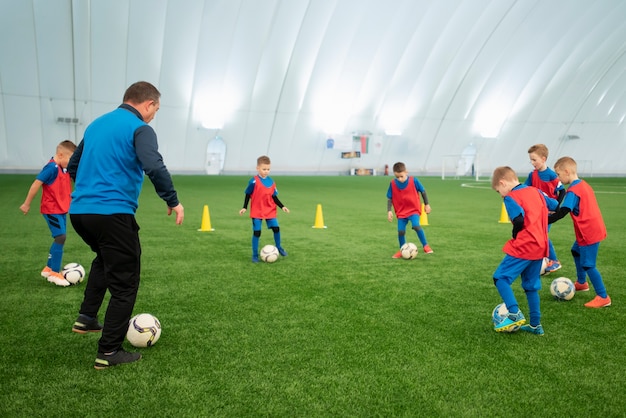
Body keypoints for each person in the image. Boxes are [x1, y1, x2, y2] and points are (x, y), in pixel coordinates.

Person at [67, 81, 184, 369]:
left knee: (104, 259)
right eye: (156, 109)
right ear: (148, 104)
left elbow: (72, 166)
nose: (154, 115)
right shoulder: (140, 128)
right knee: (125, 285)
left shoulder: (96, 125)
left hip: (80, 212)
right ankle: (108, 351)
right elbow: (153, 165)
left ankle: (86, 317)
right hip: (113, 214)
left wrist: (91, 189)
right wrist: (172, 200)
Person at [491, 166, 558, 335]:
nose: (501, 195)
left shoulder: (511, 197)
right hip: (540, 246)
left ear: (502, 182)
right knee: (531, 286)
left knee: (500, 278)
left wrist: (515, 234)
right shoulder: (536, 191)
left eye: (499, 191)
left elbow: (519, 220)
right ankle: (536, 325)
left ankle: (513, 313)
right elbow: (555, 204)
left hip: (525, 245)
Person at [548, 157, 611, 308]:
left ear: (567, 171)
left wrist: (545, 220)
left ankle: (603, 297)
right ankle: (582, 283)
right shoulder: (583, 184)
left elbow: (563, 211)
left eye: (558, 174)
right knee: (575, 251)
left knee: (588, 265)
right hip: (591, 228)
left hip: (589, 232)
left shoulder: (573, 191)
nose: (558, 178)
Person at [20, 140, 77, 287]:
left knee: (61, 237)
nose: (72, 163)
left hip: (62, 210)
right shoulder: (51, 168)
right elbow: (36, 184)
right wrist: (27, 203)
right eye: (71, 159)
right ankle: (55, 273)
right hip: (52, 209)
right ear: (60, 155)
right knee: (60, 237)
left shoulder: (64, 169)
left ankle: (48, 268)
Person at [239, 155, 289, 263]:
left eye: (268, 169)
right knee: (257, 232)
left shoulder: (271, 182)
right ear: (258, 168)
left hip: (269, 209)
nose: (266, 171)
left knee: (276, 228)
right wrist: (244, 207)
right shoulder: (253, 181)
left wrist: (282, 206)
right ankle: (255, 255)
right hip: (257, 210)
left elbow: (274, 196)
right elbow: (247, 194)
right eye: (264, 169)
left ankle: (279, 247)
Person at [524, 144, 565, 274]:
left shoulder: (552, 175)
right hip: (536, 211)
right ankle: (542, 261)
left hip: (547, 213)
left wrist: (556, 208)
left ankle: (554, 261)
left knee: (542, 236)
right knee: (536, 236)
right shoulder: (532, 175)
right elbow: (525, 189)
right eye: (530, 160)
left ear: (543, 159)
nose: (532, 162)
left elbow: (562, 191)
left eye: (534, 160)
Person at [387, 162, 433, 258]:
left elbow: (423, 191)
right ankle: (402, 249)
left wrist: (427, 204)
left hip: (413, 210)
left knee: (416, 226)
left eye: (401, 176)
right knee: (401, 231)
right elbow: (390, 198)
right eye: (397, 177)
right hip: (401, 212)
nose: (399, 179)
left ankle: (426, 246)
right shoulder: (392, 184)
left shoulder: (414, 180)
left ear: (406, 172)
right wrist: (389, 211)